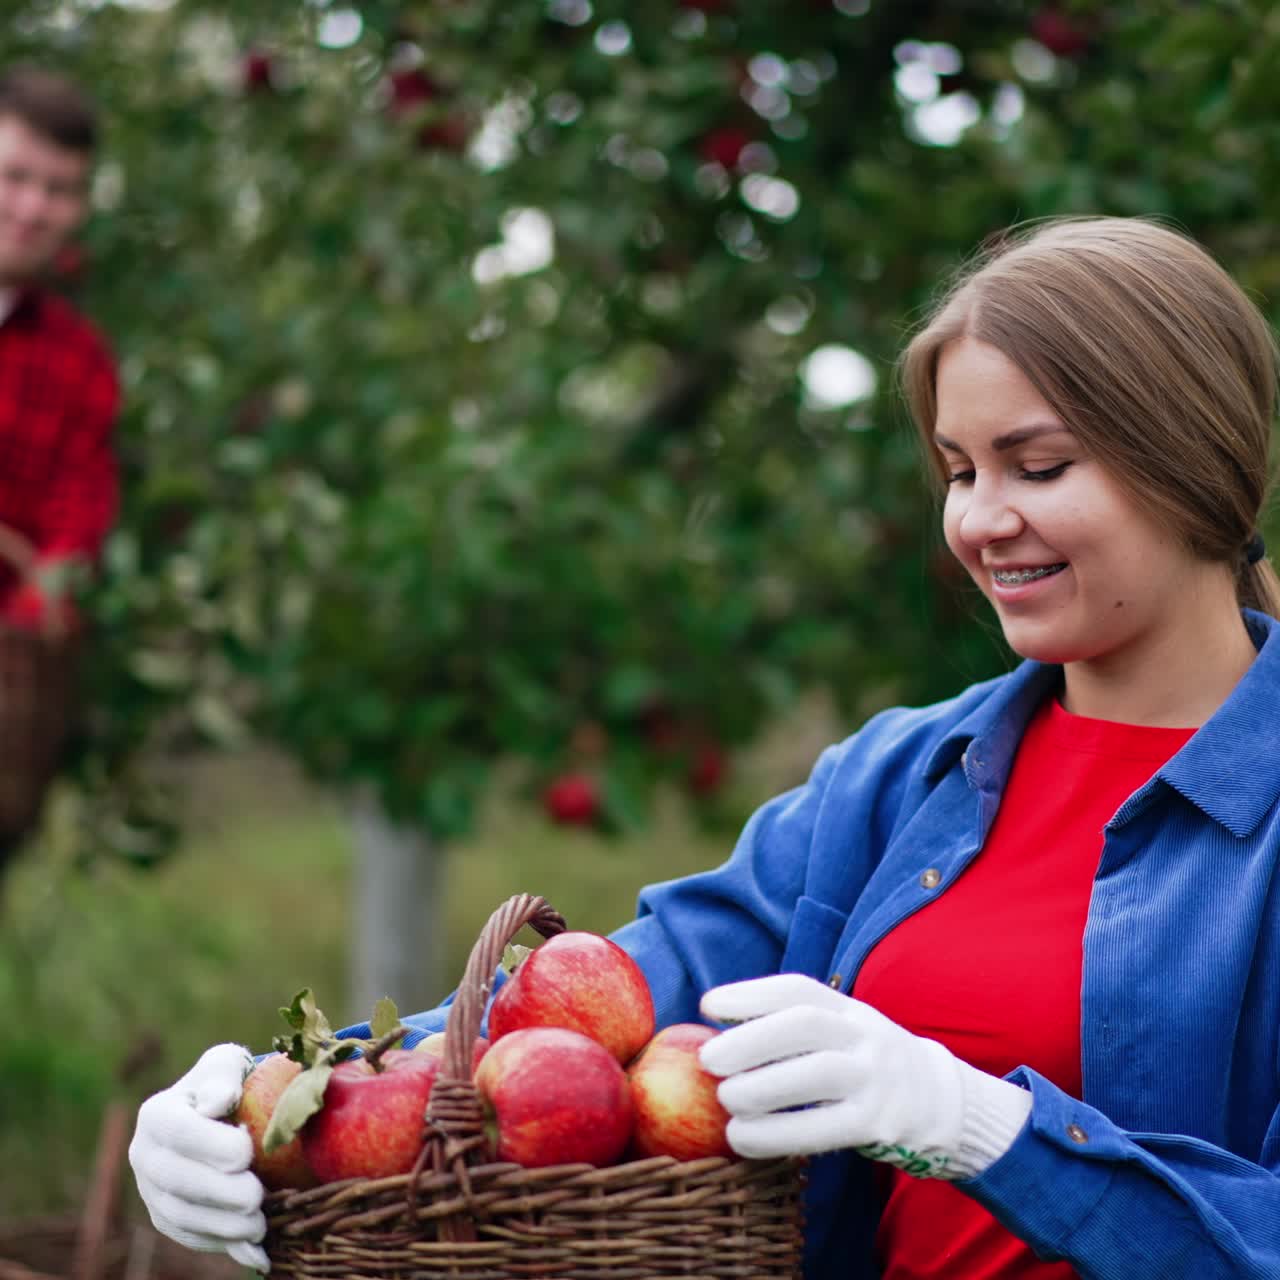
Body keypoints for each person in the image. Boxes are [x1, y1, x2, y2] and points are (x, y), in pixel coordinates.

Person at [128, 217, 1280, 1278]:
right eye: (959, 470)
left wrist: (987, 1128)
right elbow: (605, 999)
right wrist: (284, 1097)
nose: (980, 519)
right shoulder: (897, 783)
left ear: (1190, 459)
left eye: (1038, 466)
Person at [0, 66, 119, 635]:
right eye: (14, 177)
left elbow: (75, 521)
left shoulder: (79, 360)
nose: (31, 209)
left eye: (59, 190)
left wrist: (36, 605)